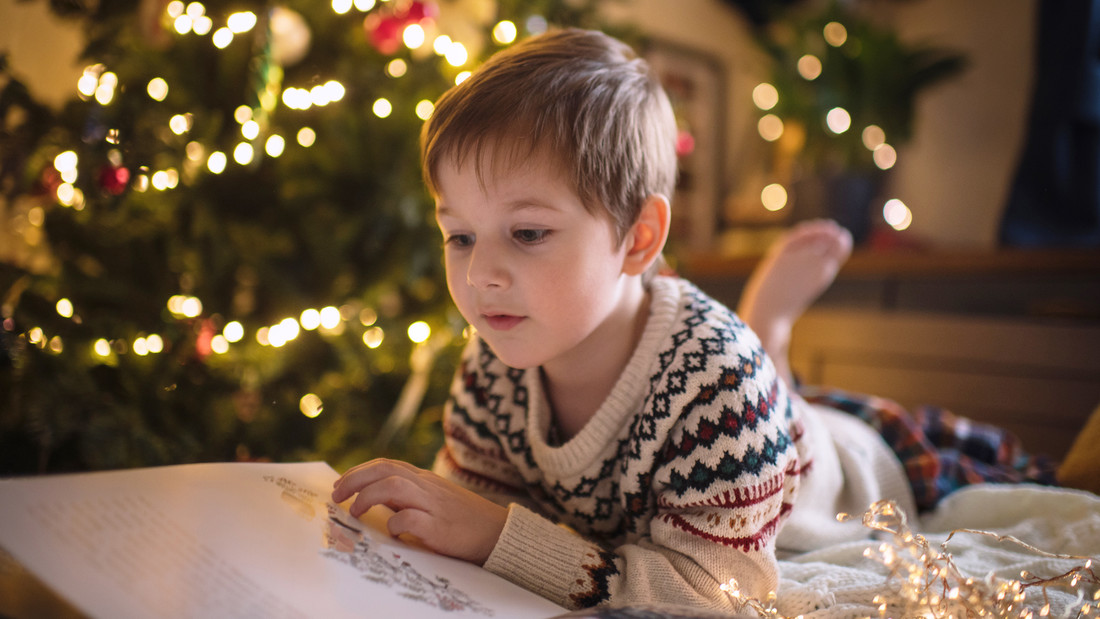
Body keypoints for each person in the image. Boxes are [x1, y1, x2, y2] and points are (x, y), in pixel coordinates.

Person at [331, 28, 1052, 613]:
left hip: (850, 465)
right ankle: (770, 339)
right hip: (735, 409)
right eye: (460, 234)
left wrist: (498, 535)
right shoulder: (493, 358)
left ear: (640, 238)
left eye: (527, 233)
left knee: (780, 397)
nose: (479, 272)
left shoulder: (718, 382)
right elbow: (472, 508)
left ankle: (767, 336)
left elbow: (720, 590)